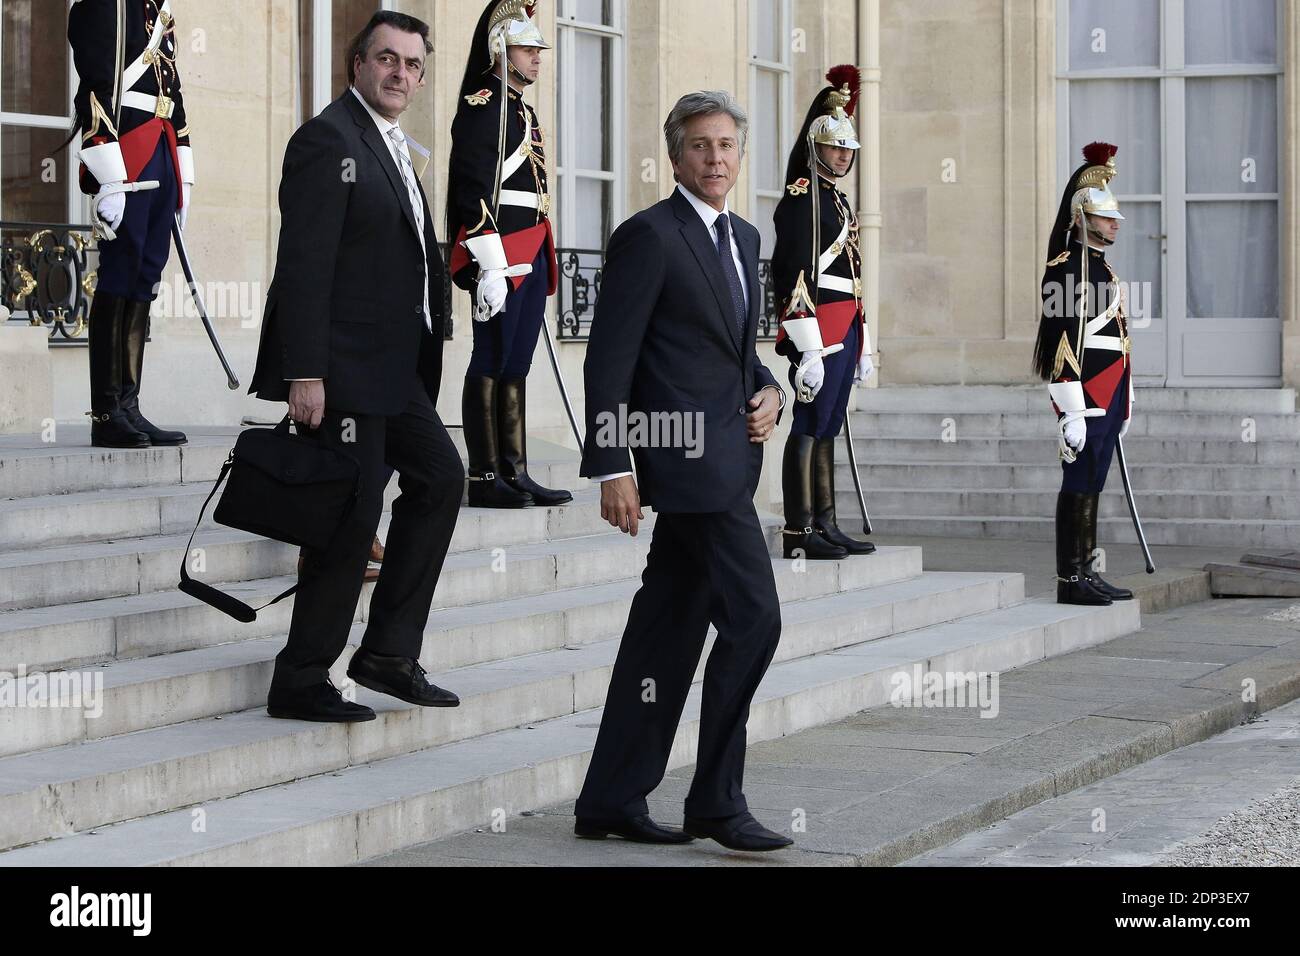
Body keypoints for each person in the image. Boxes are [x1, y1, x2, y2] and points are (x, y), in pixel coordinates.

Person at [573, 91, 793, 853]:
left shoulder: (746, 236)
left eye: (727, 145)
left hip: (734, 457)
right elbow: (611, 357)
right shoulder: (648, 237)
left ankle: (609, 798)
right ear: (675, 157)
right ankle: (715, 801)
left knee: (663, 634)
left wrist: (772, 390)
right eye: (700, 146)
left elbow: (734, 351)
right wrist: (611, 464)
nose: (716, 159)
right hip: (687, 469)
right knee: (756, 619)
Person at [248, 11, 464, 722]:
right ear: (357, 65)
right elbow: (304, 266)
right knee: (350, 519)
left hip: (395, 373)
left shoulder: (392, 144)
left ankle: (388, 654)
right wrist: (303, 371)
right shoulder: (327, 140)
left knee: (440, 477)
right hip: (341, 371)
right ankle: (302, 677)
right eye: (387, 59)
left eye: (412, 64)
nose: (401, 73)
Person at [446, 0, 571, 509]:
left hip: (532, 244)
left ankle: (514, 470)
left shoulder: (520, 107)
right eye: (526, 48)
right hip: (500, 249)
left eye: (538, 48)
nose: (537, 57)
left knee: (517, 362)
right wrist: (490, 262)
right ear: (500, 48)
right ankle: (482, 475)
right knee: (491, 357)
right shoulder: (483, 104)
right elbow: (470, 188)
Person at [68, 0, 192, 448]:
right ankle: (106, 413)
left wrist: (185, 167)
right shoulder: (102, 6)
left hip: (160, 147)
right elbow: (96, 91)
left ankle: (129, 405)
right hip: (128, 150)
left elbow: (174, 94)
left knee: (145, 276)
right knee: (119, 275)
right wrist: (110, 174)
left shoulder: (158, 11)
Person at [771, 65, 876, 561]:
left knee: (830, 423)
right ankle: (799, 528)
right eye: (836, 147)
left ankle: (826, 521)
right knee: (810, 423)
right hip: (818, 327)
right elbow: (791, 274)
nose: (843, 155)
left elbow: (852, 272)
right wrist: (806, 345)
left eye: (848, 149)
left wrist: (865, 337)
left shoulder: (836, 197)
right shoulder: (802, 197)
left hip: (845, 322)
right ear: (817, 145)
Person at [1032, 142, 1135, 607]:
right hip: (1084, 391)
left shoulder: (1101, 267)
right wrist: (1070, 407)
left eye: (1115, 218)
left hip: (1109, 388)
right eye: (1106, 216)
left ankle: (1087, 571)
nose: (1115, 223)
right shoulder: (1067, 268)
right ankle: (1069, 579)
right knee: (1078, 479)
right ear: (1082, 217)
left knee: (1094, 478)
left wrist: (1126, 396)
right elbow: (1059, 344)